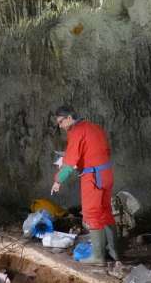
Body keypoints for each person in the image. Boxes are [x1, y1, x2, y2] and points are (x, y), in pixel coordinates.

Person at [50, 106, 119, 265]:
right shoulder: (94, 127)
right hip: (106, 173)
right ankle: (114, 253)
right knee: (106, 212)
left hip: (92, 177)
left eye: (61, 122)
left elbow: (69, 162)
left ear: (68, 118)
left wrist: (58, 180)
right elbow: (105, 150)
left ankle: (98, 257)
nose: (60, 126)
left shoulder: (76, 132)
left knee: (92, 214)